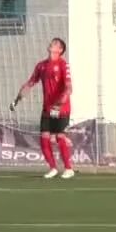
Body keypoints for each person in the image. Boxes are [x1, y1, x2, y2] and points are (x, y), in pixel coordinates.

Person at [14, 37, 74, 179]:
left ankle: (68, 168)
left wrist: (63, 99)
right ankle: (53, 168)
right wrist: (20, 95)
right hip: (47, 108)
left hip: (61, 108)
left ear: (60, 50)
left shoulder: (63, 64)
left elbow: (69, 87)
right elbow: (30, 82)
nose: (52, 44)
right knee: (44, 138)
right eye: (52, 42)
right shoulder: (41, 65)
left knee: (60, 137)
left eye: (56, 43)